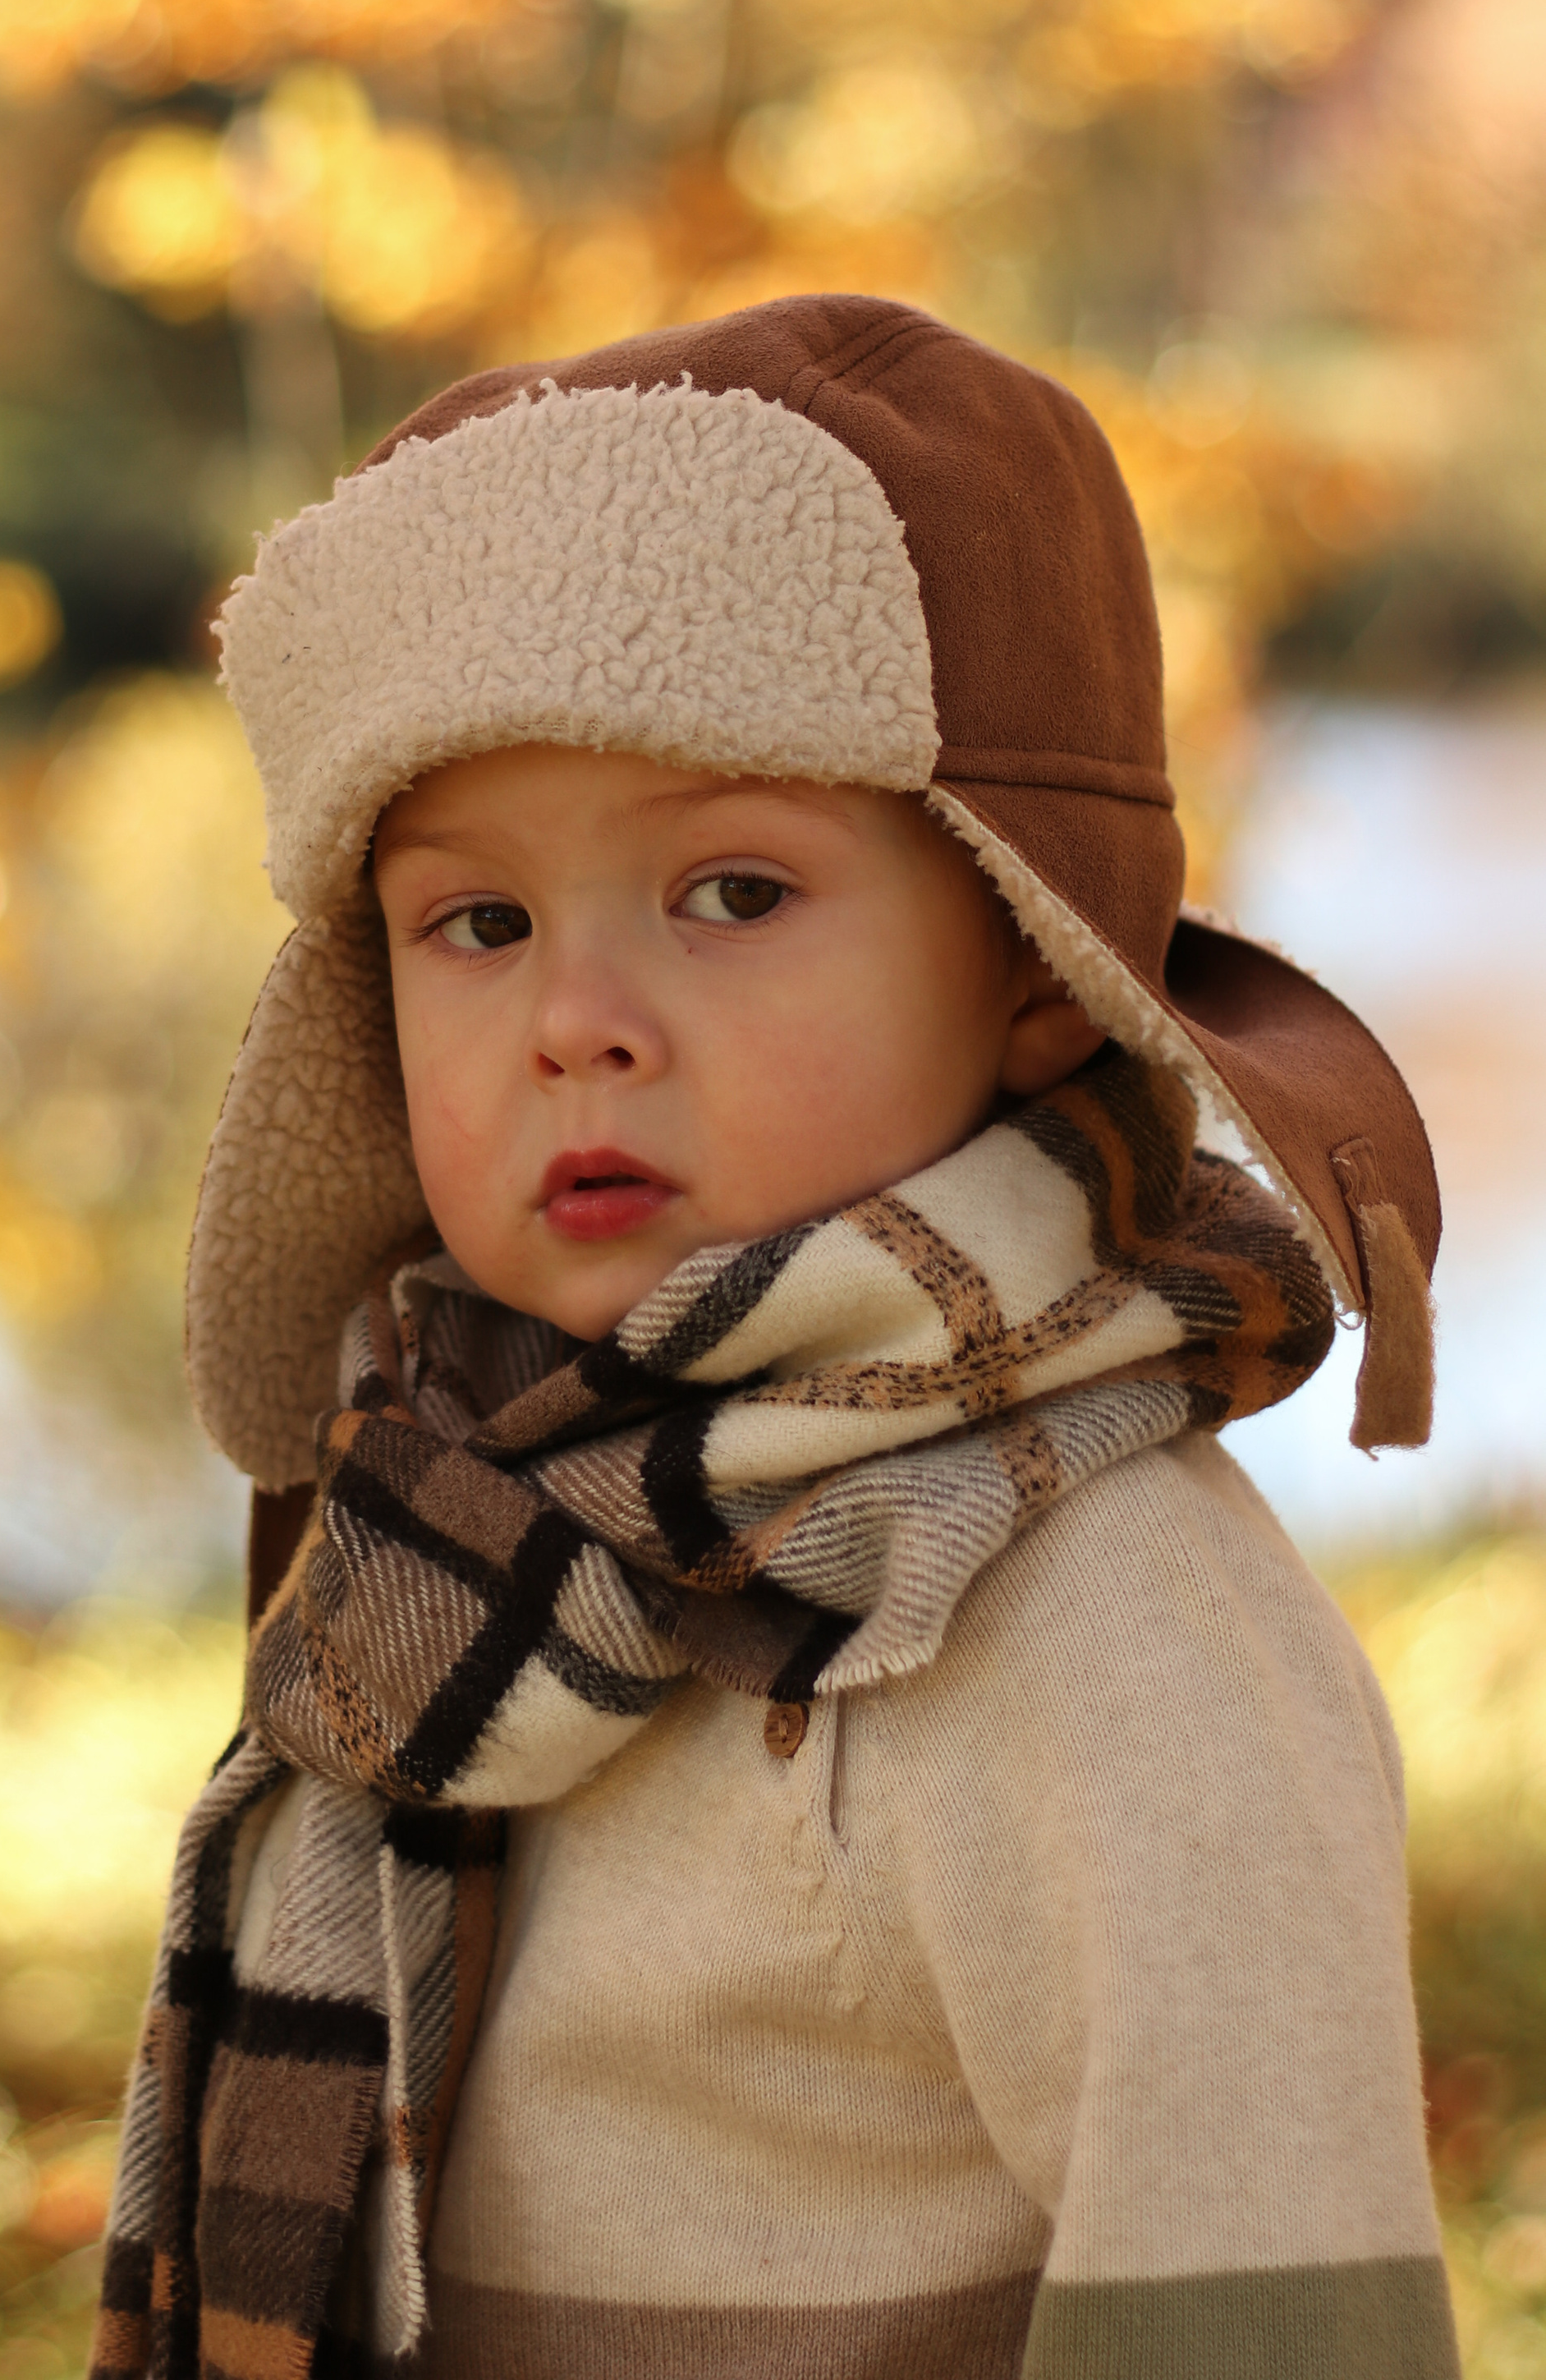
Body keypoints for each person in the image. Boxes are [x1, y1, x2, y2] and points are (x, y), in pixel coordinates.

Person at [90, 294, 1458, 2380]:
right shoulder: (454, 1544)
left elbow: (1266, 2311)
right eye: (477, 923)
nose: (575, 1021)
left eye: (731, 893)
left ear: (1034, 966)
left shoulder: (1102, 1631)